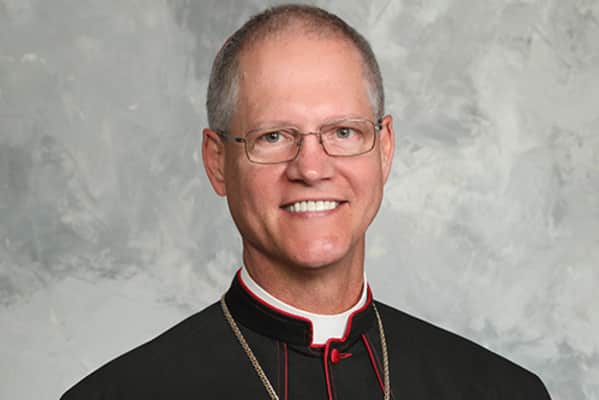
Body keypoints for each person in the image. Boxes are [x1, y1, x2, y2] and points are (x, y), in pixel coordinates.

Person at [61, 4, 551, 399]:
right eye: (273, 136)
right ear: (217, 162)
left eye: (343, 132)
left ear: (384, 150)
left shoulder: (501, 391)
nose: (311, 169)